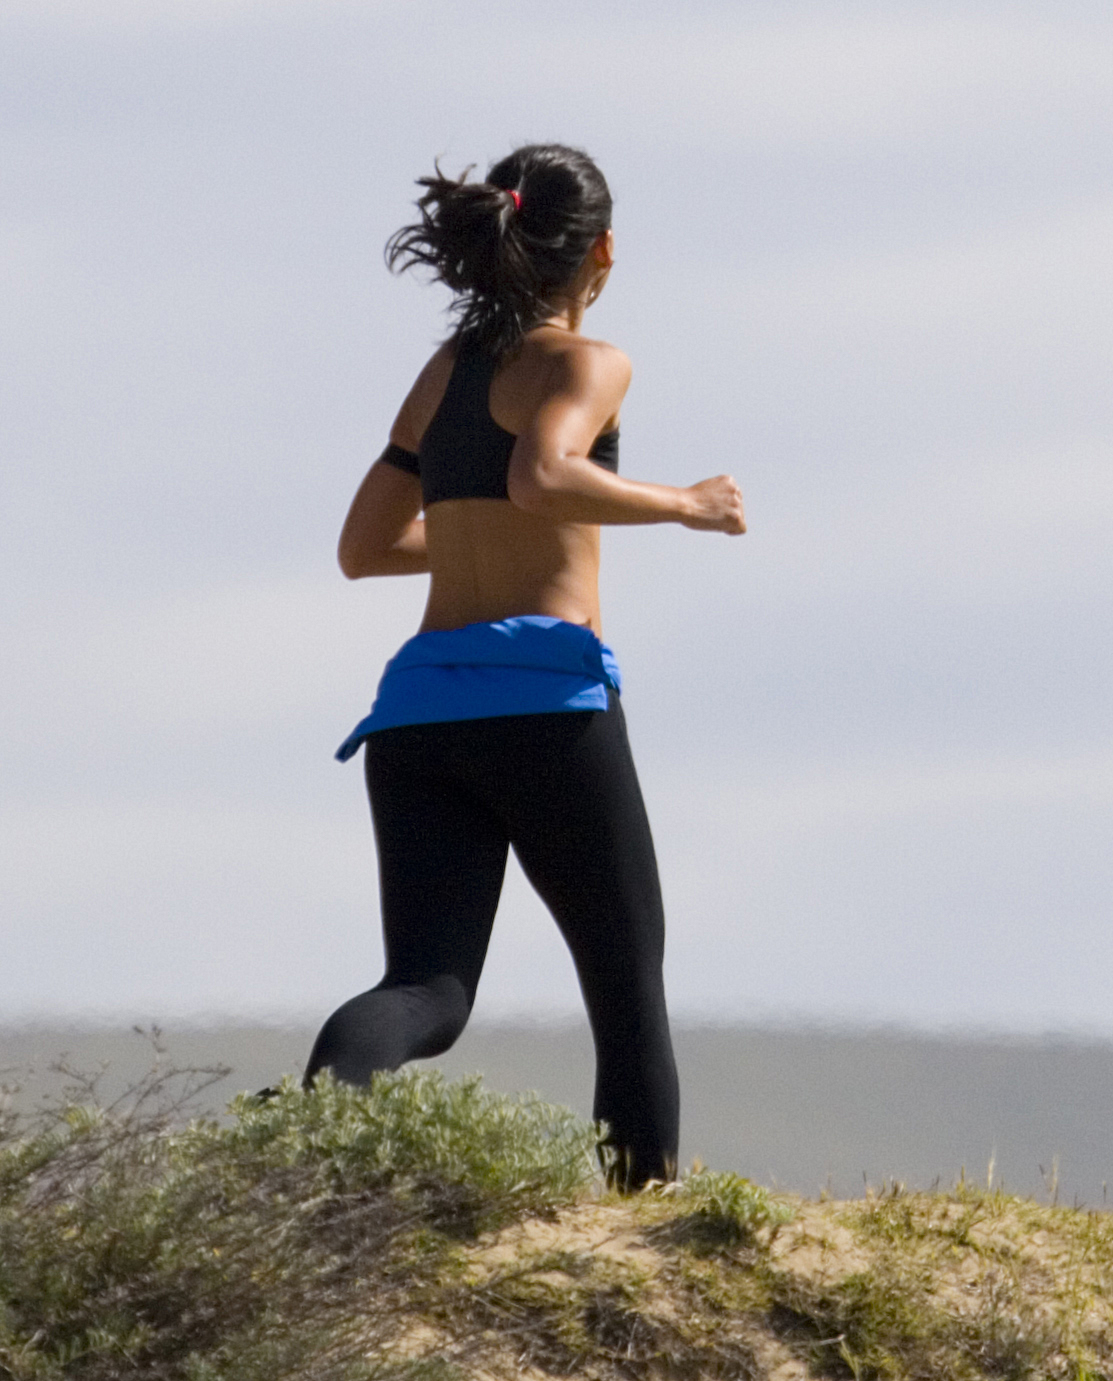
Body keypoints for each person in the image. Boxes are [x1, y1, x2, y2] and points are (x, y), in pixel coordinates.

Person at [304, 143, 745, 1189]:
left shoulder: (445, 373)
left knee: (426, 993)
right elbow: (542, 475)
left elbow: (363, 549)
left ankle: (312, 1137)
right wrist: (688, 503)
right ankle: (647, 1223)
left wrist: (469, 544)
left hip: (415, 719)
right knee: (625, 976)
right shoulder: (588, 363)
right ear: (599, 251)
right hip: (547, 705)